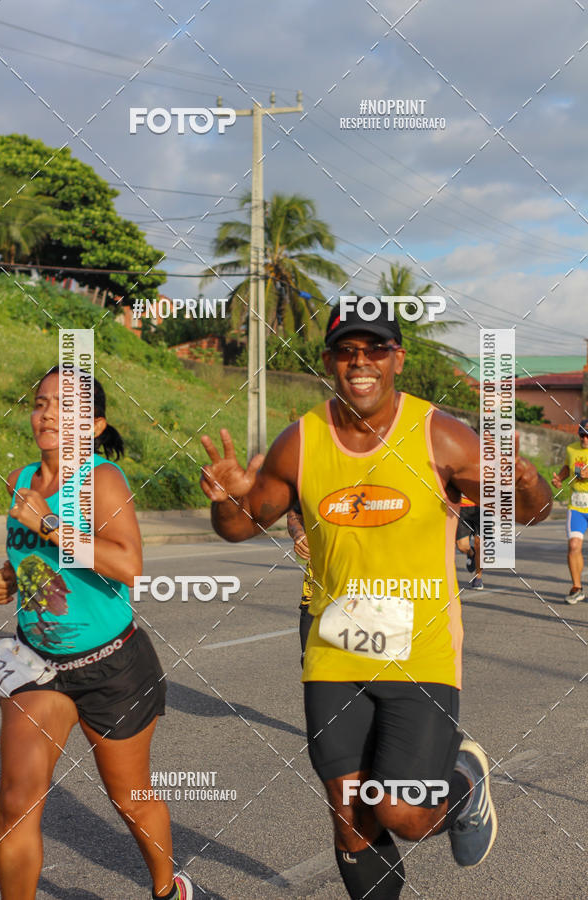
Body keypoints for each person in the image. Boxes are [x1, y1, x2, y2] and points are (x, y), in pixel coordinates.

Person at [199, 303, 552, 898]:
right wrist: (227, 498)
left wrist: (522, 480)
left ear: (397, 358)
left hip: (423, 653)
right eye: (346, 350)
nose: (360, 362)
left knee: (402, 816)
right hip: (334, 650)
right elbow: (241, 526)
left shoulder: (439, 434)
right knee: (351, 820)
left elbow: (532, 512)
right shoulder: (301, 442)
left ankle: (462, 779)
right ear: (330, 360)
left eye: (375, 349)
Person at [0, 366, 192, 900]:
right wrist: (12, 576)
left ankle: (167, 888)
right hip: (38, 664)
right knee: (16, 801)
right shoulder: (20, 478)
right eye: (40, 403)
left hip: (112, 666)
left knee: (129, 798)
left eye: (65, 405)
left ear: (95, 425)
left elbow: (128, 565)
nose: (48, 412)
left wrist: (50, 526)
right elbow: (37, 558)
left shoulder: (102, 480)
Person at [552, 418, 588, 603]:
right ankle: (577, 588)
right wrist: (560, 479)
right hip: (577, 506)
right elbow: (567, 467)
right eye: (582, 434)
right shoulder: (571, 449)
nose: (585, 439)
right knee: (574, 546)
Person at [286, 503, 315, 664]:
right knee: (310, 664)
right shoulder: (313, 478)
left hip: (364, 591)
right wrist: (298, 533)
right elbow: (294, 514)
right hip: (316, 592)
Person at [455, 495, 483, 590]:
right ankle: (471, 553)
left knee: (479, 545)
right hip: (461, 507)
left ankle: (478, 577)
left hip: (482, 507)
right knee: (462, 546)